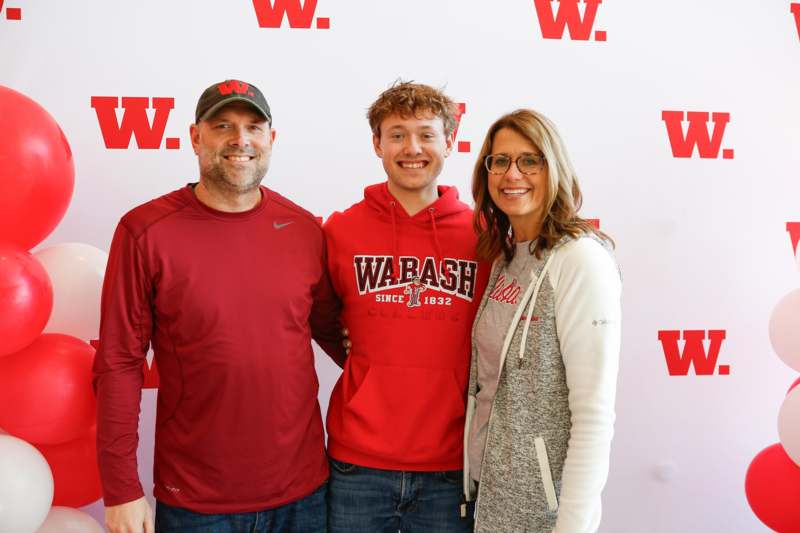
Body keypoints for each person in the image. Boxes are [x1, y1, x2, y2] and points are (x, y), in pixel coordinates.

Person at [93, 79, 345, 533]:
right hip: (197, 503)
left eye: (253, 126)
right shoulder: (144, 231)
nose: (240, 139)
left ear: (271, 139)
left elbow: (345, 340)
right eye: (222, 125)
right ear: (195, 137)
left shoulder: (306, 230)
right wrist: (121, 487)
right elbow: (119, 363)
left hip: (304, 495)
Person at [323, 81, 489, 532]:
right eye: (397, 134)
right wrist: (363, 364)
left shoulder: (484, 237)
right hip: (358, 462)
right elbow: (317, 313)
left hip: (451, 464)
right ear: (377, 144)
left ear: (450, 142)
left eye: (426, 134)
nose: (411, 148)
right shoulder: (340, 231)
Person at [464, 109, 622, 532]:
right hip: (487, 496)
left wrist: (572, 525)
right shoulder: (507, 256)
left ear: (554, 168)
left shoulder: (580, 260)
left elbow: (593, 414)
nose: (512, 173)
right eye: (500, 161)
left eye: (529, 160)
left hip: (541, 512)